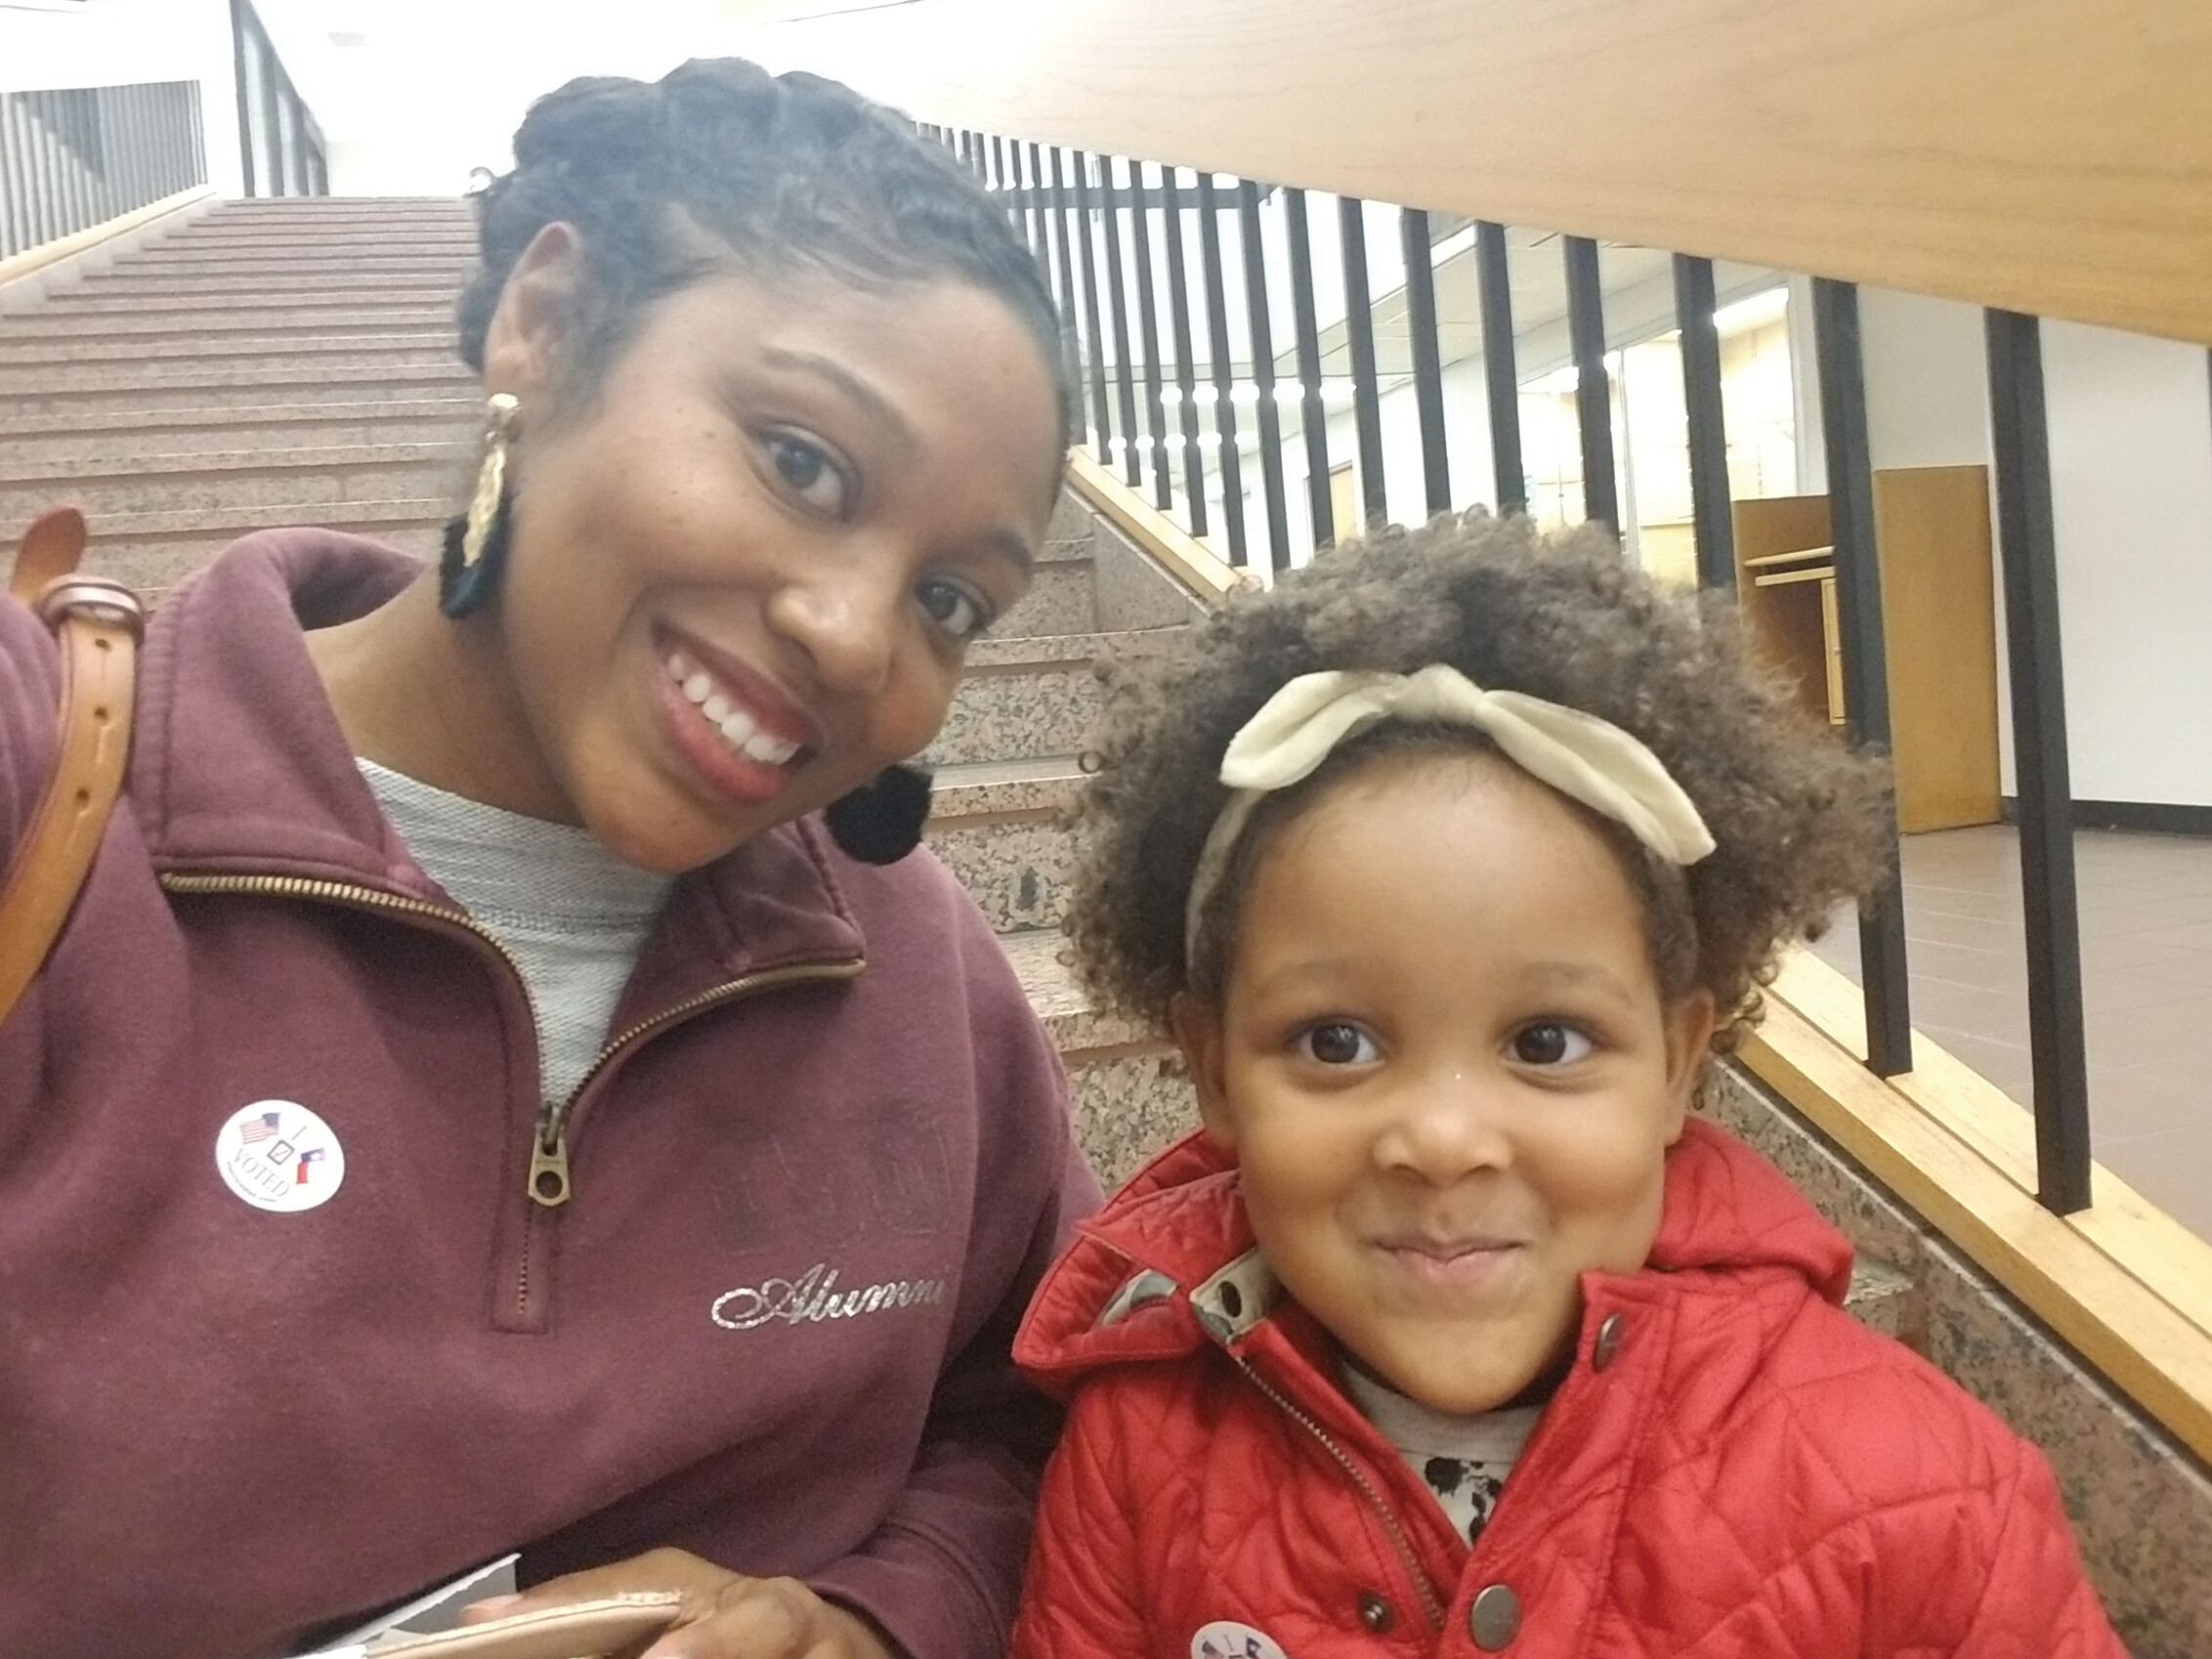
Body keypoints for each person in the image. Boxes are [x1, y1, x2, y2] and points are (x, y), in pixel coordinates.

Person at [0, 59, 1097, 1659]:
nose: (854, 632)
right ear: (547, 317)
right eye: (800, 461)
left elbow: (1026, 1428)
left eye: (949, 600)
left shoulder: (920, 977)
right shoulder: (52, 785)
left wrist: (866, 1619)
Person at [1007, 512, 2127, 1657]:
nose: (1443, 1141)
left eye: (1544, 1042)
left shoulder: (1924, 1490)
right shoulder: (1136, 1454)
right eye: (1335, 1041)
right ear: (1213, 1075)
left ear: (1679, 1065)